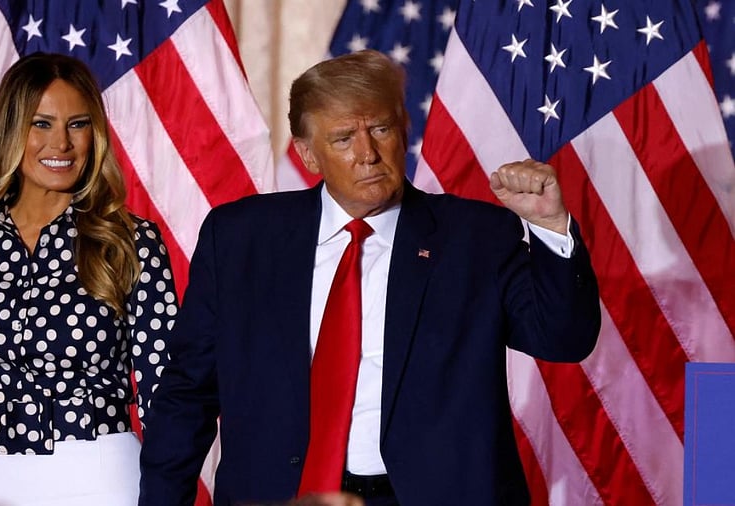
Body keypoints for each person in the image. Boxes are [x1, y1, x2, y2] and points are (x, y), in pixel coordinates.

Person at [138, 49, 600, 506]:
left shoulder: (474, 236)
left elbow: (564, 339)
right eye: (343, 138)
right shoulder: (240, 239)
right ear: (308, 154)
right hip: (286, 496)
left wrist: (549, 226)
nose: (368, 154)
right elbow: (188, 393)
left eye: (380, 129)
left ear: (403, 131)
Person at [0, 52, 178, 506]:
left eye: (78, 124)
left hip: (102, 475)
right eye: (41, 124)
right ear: (11, 130)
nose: (62, 144)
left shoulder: (130, 242)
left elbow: (164, 395)